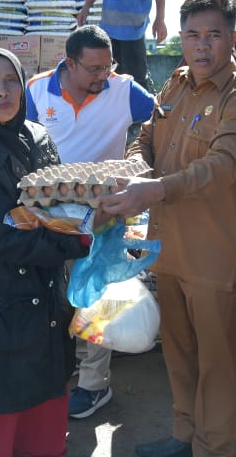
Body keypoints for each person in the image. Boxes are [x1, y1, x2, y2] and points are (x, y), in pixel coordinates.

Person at [98, 0, 236, 457]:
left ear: (232, 37)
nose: (202, 46)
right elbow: (147, 138)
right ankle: (184, 437)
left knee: (220, 361)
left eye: (213, 35)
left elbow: (218, 167)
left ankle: (212, 449)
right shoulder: (175, 83)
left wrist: (151, 190)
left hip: (218, 255)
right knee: (178, 351)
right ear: (181, 38)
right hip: (170, 247)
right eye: (193, 35)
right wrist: (135, 168)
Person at [0, 48, 91, 457]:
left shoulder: (37, 135)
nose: (2, 91)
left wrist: (93, 218)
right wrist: (75, 242)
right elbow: (3, 236)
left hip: (42, 289)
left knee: (41, 386)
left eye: (10, 80)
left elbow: (59, 204)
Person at [25, 25, 155, 420]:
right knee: (56, 293)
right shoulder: (37, 91)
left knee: (94, 294)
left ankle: (94, 384)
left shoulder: (125, 91)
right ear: (69, 63)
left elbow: (168, 115)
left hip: (102, 213)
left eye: (109, 65)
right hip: (51, 212)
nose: (104, 75)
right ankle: (62, 368)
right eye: (94, 68)